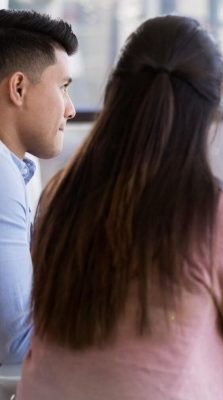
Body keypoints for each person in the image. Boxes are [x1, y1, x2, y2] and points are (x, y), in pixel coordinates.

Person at [17, 16, 223, 399]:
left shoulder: (60, 193)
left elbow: (117, 346)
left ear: (116, 93)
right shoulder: (220, 214)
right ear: (210, 107)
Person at [0, 9, 78, 365]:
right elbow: (16, 343)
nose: (71, 109)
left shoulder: (22, 167)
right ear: (18, 88)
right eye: (63, 87)